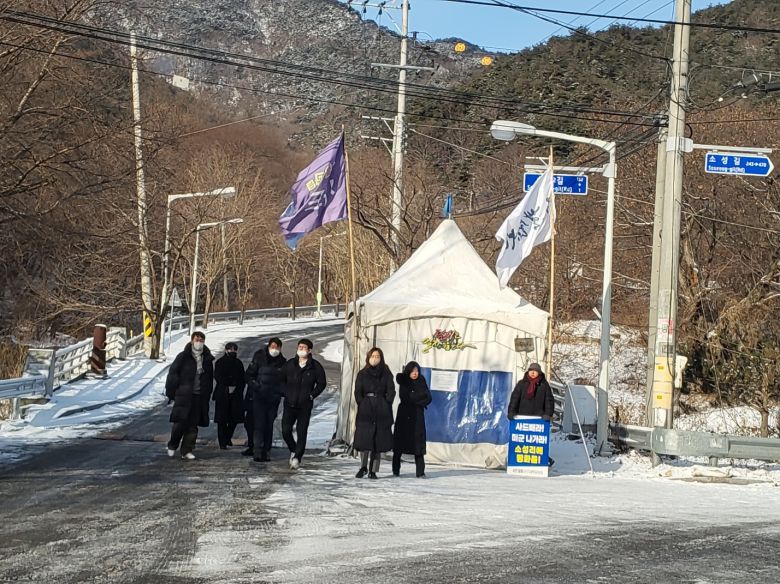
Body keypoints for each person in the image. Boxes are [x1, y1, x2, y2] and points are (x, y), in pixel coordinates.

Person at [165, 331, 214, 460]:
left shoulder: (207, 359)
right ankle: (172, 445)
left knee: (193, 425)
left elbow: (209, 379)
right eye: (197, 339)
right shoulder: (183, 357)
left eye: (201, 340)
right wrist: (171, 393)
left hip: (199, 396)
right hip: (184, 394)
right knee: (180, 423)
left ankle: (187, 449)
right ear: (192, 341)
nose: (199, 342)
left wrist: (207, 393)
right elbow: (173, 375)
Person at [279, 338, 327, 469]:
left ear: (310, 350)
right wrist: (284, 392)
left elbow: (322, 383)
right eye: (299, 347)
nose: (301, 349)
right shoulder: (290, 364)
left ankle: (297, 457)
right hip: (289, 403)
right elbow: (281, 379)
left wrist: (311, 395)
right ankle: (293, 449)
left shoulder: (315, 366)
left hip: (304, 405)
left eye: (304, 347)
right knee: (285, 430)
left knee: (301, 431)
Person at [354, 347, 396, 479]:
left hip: (381, 408)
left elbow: (391, 390)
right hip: (366, 408)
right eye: (373, 356)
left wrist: (386, 402)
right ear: (368, 357)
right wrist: (362, 402)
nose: (375, 359)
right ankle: (363, 466)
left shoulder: (386, 373)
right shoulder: (362, 373)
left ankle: (373, 470)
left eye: (377, 356)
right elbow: (357, 391)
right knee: (365, 438)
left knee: (378, 439)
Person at [244, 337, 286, 462]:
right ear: (268, 347)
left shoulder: (283, 362)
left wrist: (280, 392)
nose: (275, 349)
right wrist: (256, 386)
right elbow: (249, 375)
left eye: (277, 347)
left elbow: (285, 380)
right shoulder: (259, 358)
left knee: (269, 424)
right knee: (258, 424)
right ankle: (257, 450)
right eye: (272, 346)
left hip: (273, 399)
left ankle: (266, 451)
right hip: (259, 397)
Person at [507, 362, 555, 466]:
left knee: (536, 443)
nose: (533, 373)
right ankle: (519, 462)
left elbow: (549, 401)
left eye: (535, 371)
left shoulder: (544, 385)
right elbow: (514, 399)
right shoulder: (521, 384)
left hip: (538, 418)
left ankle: (543, 460)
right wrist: (511, 412)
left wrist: (548, 414)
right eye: (531, 370)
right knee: (522, 442)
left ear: (539, 373)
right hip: (522, 416)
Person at [392, 361, 432, 478]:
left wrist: (417, 396)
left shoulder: (421, 381)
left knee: (418, 443)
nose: (415, 373)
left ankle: (420, 472)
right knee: (399, 444)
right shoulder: (404, 381)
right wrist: (419, 396)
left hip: (418, 415)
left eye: (417, 371)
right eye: (413, 371)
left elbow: (428, 397)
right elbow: (406, 396)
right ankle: (396, 470)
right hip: (404, 415)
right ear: (408, 371)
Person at [212, 342, 246, 450]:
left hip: (236, 394)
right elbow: (218, 376)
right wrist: (228, 384)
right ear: (226, 350)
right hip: (223, 393)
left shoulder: (238, 363)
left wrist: (238, 387)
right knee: (221, 420)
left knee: (234, 418)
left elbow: (242, 378)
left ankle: (227, 437)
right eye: (230, 349)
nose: (233, 351)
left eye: (234, 350)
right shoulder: (220, 362)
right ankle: (223, 442)